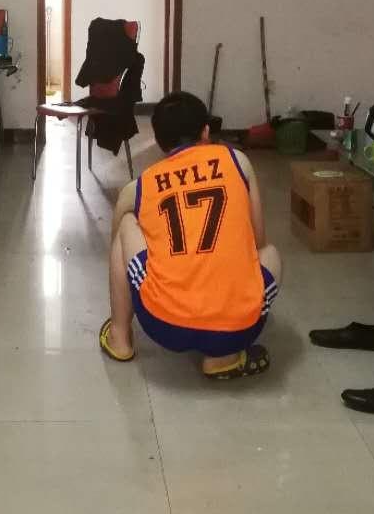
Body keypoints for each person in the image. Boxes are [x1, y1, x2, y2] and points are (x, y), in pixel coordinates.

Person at [99, 91, 282, 379]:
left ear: (158, 140)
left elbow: (116, 246)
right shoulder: (238, 161)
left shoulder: (140, 186)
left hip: (164, 325)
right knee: (270, 254)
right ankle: (223, 358)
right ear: (206, 132)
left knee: (127, 224)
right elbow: (258, 241)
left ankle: (119, 338)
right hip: (237, 329)